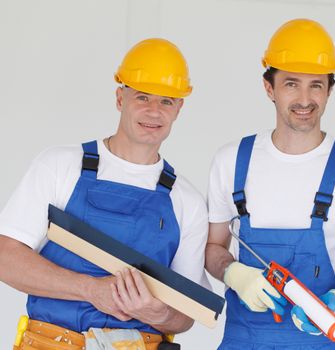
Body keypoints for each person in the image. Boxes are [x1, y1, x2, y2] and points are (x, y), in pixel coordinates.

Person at [0, 38, 209, 349]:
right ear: (119, 98)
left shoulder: (186, 201)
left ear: (179, 108)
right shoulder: (59, 166)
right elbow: (6, 257)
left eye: (166, 101)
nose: (154, 111)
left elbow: (186, 315)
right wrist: (90, 289)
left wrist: (158, 313)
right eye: (142, 97)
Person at [205, 18, 335, 349]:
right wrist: (235, 274)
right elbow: (214, 246)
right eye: (291, 84)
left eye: (316, 85)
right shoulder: (231, 162)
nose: (305, 99)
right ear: (269, 87)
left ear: (330, 89)